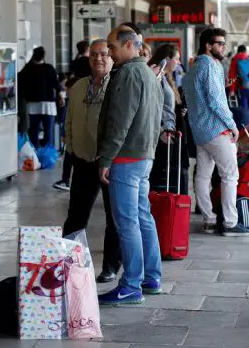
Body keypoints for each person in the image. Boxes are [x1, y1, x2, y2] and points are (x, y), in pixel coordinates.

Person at [96, 26, 163, 305]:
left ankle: (131, 284)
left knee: (127, 222)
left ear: (127, 45)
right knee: (142, 217)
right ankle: (151, 277)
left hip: (125, 157)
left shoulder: (127, 74)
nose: (109, 53)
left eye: (111, 47)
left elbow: (119, 122)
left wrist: (106, 158)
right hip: (144, 155)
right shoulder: (148, 72)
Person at [183, 28, 249, 237]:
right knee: (230, 175)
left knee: (203, 176)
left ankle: (209, 219)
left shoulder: (194, 68)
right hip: (216, 130)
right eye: (220, 43)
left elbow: (192, 96)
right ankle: (231, 223)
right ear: (208, 45)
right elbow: (215, 100)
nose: (224, 47)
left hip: (199, 132)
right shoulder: (211, 66)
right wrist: (232, 125)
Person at [62, 39, 121, 283]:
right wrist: (72, 149)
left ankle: (110, 266)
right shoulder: (78, 87)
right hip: (82, 159)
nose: (99, 58)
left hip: (109, 161)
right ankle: (66, 262)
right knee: (76, 215)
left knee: (113, 217)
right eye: (94, 54)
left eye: (104, 54)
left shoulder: (118, 86)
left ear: (112, 57)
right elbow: (69, 121)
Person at [147, 44, 189, 195]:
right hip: (162, 133)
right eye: (176, 59)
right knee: (158, 174)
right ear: (166, 59)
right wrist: (161, 131)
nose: (178, 62)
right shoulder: (156, 77)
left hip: (169, 131)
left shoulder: (166, 77)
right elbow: (151, 107)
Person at [17, 47, 64, 147]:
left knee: (34, 130)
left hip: (33, 104)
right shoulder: (49, 68)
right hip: (48, 105)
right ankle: (47, 152)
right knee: (48, 131)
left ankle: (35, 152)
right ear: (43, 56)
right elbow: (55, 84)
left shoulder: (28, 68)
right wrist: (61, 97)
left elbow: (19, 81)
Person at [228, 44, 249, 123]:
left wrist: (232, 89)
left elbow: (232, 75)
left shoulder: (235, 60)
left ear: (238, 51)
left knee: (244, 107)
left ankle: (245, 125)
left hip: (242, 87)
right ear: (245, 51)